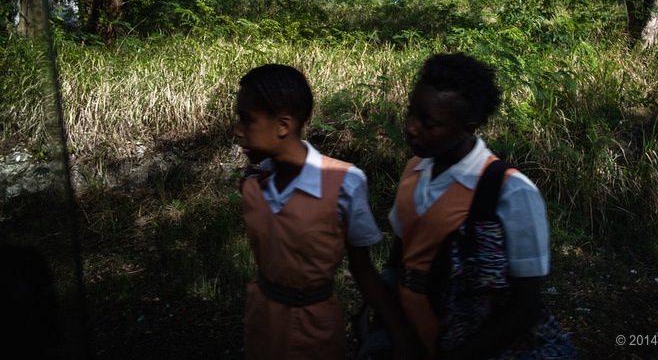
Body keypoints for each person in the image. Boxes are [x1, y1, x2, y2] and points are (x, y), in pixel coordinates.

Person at [387, 53, 572, 359]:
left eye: (428, 123)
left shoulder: (511, 191)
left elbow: (525, 304)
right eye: (411, 113)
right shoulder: (413, 171)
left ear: (467, 128)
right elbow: (398, 261)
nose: (410, 127)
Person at [235, 63, 412, 359]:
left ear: (283, 125)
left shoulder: (344, 183)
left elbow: (362, 267)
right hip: (261, 320)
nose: (238, 131)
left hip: (315, 328)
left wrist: (397, 329)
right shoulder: (254, 184)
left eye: (246, 119)